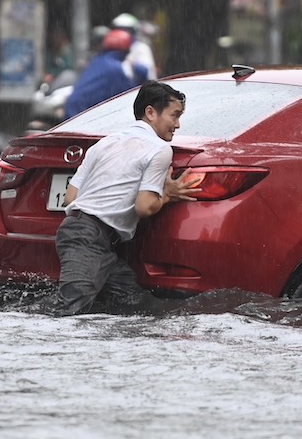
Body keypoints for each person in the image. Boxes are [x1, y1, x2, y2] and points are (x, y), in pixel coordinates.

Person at [54, 80, 202, 315]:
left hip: (83, 234)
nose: (177, 124)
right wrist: (168, 195)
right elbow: (144, 208)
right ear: (151, 113)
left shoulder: (104, 143)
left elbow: (70, 197)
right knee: (68, 312)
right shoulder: (160, 149)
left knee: (136, 305)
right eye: (174, 116)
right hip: (90, 239)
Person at [64, 29, 142, 119]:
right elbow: (129, 96)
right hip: (83, 115)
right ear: (126, 51)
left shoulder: (96, 61)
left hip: (73, 110)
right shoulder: (116, 69)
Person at [111, 12, 159, 80]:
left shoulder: (141, 48)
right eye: (118, 30)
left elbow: (149, 74)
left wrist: (133, 64)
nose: (122, 33)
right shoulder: (111, 50)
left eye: (126, 30)